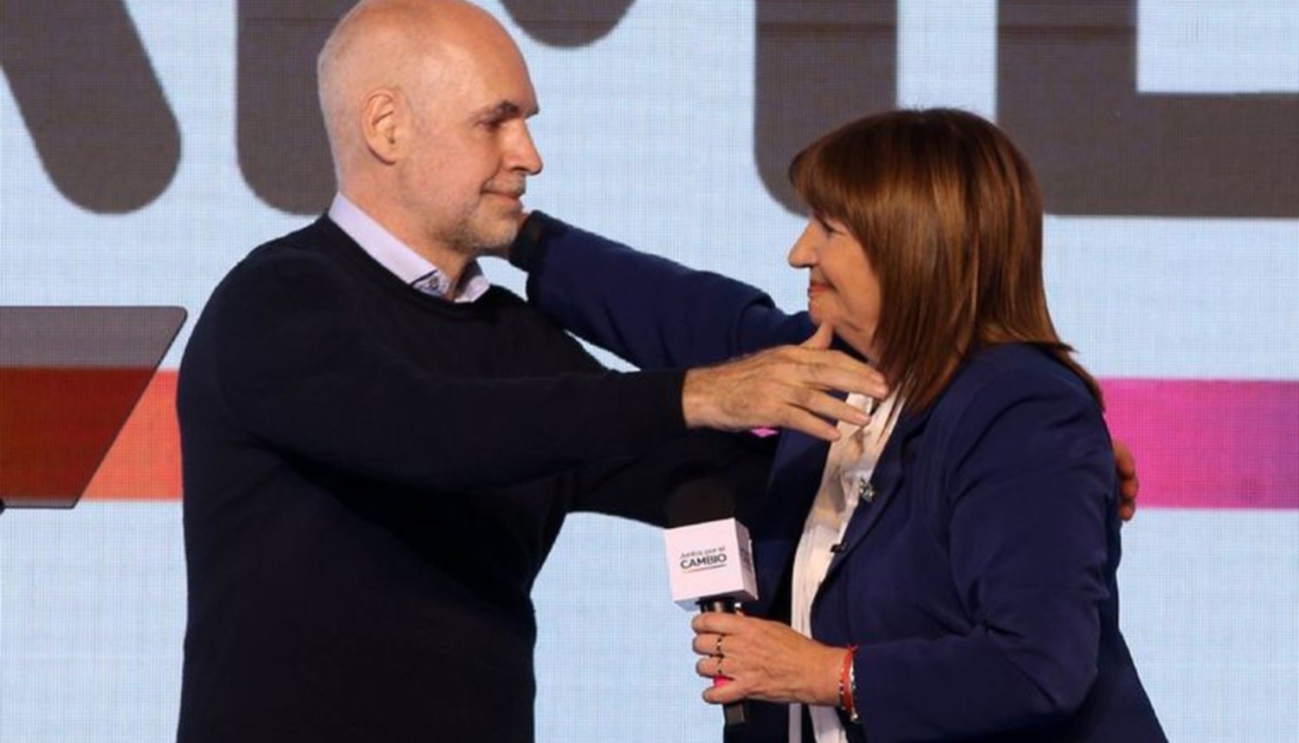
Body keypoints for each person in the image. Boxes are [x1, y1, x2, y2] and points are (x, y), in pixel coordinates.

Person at [173, 2, 887, 742]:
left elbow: (696, 467)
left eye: (526, 122)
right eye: (495, 122)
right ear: (387, 127)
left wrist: (887, 382)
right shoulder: (278, 300)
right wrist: (701, 393)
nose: (529, 156)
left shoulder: (510, 337)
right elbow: (428, 432)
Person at [509, 109, 1164, 741]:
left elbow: (1037, 666)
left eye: (827, 228)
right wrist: (521, 238)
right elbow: (687, 316)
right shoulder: (839, 365)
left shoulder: (1020, 411)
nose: (799, 253)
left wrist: (827, 673)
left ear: (909, 243)